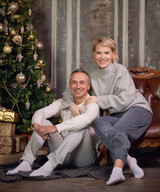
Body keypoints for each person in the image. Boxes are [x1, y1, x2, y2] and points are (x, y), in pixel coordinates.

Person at [62, 37, 152, 186]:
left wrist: (98, 99)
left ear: (113, 54)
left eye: (106, 52)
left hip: (137, 109)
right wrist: (71, 104)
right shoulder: (91, 74)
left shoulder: (120, 70)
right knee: (98, 122)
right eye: (98, 53)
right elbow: (70, 89)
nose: (102, 57)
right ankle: (129, 159)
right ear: (93, 55)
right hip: (118, 115)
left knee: (117, 130)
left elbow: (125, 99)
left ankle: (117, 170)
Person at [7, 69, 100, 177]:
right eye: (74, 82)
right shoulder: (64, 103)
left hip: (83, 158)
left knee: (80, 126)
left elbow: (85, 120)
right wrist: (37, 126)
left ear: (88, 86)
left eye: (82, 82)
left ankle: (49, 165)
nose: (78, 86)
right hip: (62, 153)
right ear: (70, 85)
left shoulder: (92, 105)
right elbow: (41, 112)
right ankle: (26, 163)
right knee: (43, 122)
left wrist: (54, 128)